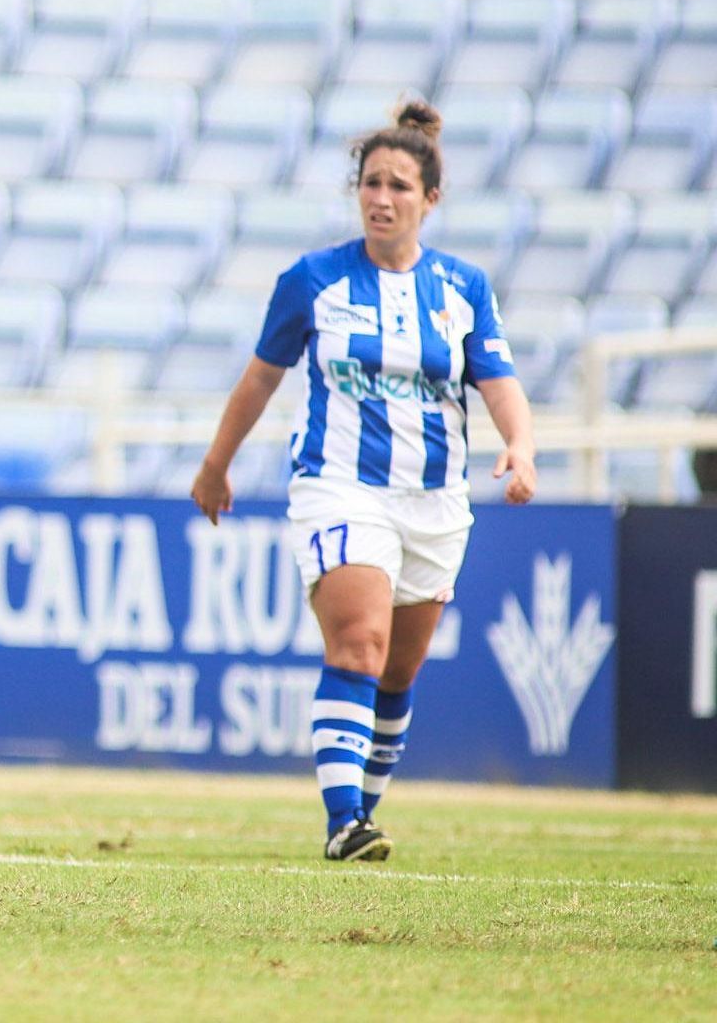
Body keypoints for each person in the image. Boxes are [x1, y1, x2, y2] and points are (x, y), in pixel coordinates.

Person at [189, 101, 538, 862]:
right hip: (339, 486)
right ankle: (344, 820)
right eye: (371, 183)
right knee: (359, 643)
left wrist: (520, 445)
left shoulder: (463, 288)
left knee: (397, 673)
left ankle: (363, 814)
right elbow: (259, 379)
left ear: (430, 199)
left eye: (399, 186)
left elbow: (498, 379)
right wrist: (216, 465)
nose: (382, 198)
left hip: (436, 501)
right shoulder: (312, 280)